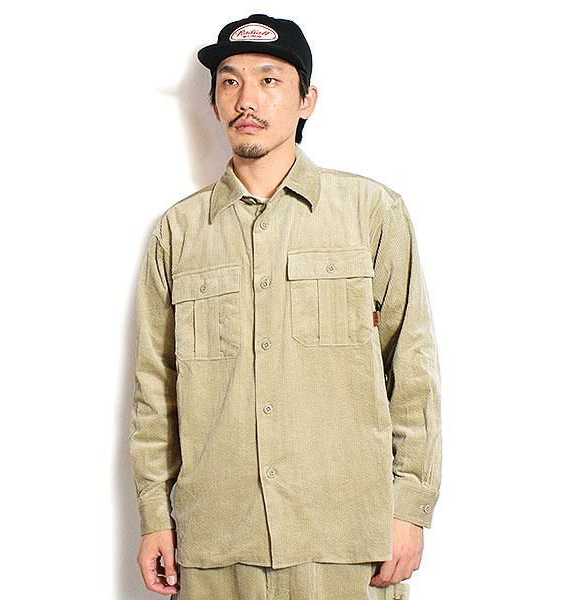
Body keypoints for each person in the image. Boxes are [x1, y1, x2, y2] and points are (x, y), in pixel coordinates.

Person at [129, 13, 442, 600]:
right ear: (213, 102)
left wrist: (410, 507)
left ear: (306, 101)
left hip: (349, 542)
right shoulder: (179, 232)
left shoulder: (372, 213)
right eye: (230, 81)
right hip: (216, 544)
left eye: (269, 80)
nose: (246, 98)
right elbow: (155, 389)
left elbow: (412, 370)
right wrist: (154, 516)